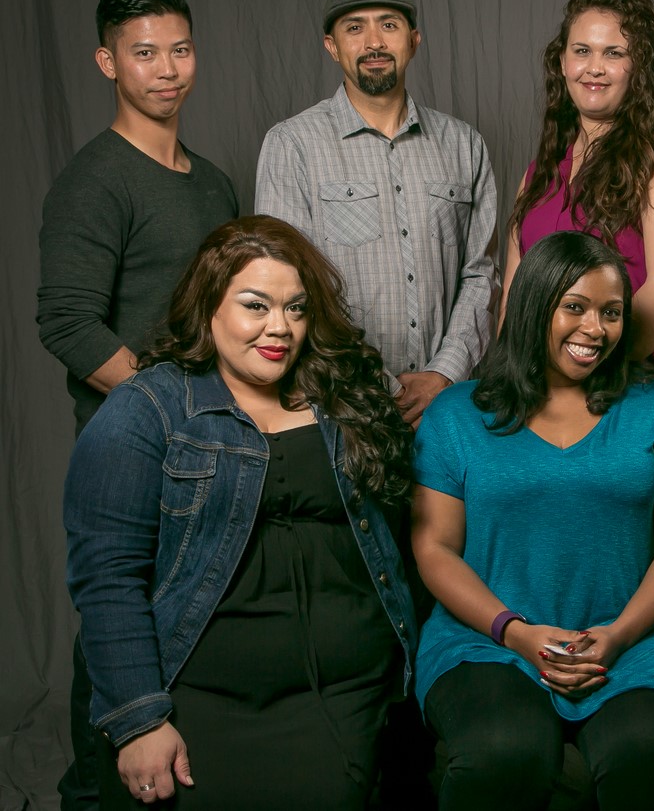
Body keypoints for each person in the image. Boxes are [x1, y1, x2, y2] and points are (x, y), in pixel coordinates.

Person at [63, 216, 418, 810]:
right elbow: (106, 578)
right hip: (201, 691)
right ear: (208, 308)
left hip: (346, 690)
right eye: (256, 306)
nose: (280, 327)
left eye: (296, 309)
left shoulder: (340, 399)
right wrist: (139, 720)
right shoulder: (149, 408)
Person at [412, 231, 654, 809]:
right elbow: (434, 549)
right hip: (487, 641)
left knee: (652, 758)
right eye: (574, 307)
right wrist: (516, 633)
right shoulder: (457, 414)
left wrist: (618, 636)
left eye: (612, 312)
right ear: (533, 307)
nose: (595, 329)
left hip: (633, 642)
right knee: (506, 752)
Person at [36, 0, 238, 811]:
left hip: (216, 445)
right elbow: (68, 323)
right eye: (144, 52)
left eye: (179, 49)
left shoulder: (215, 183)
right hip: (131, 445)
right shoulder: (96, 180)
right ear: (107, 61)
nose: (166, 69)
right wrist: (167, 412)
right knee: (120, 626)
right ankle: (89, 790)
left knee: (188, 627)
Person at [255, 0, 498, 428]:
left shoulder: (465, 145)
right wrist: (379, 384)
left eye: (388, 25)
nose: (373, 42)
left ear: (414, 40)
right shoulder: (293, 145)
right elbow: (284, 287)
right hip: (338, 405)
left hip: (446, 409)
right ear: (331, 46)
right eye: (354, 28)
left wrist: (442, 374)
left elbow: (481, 275)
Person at [504, 0, 654, 401]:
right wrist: (511, 379)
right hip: (541, 397)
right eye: (582, 51)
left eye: (614, 53)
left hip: (635, 390)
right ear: (562, 62)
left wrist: (585, 377)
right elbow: (514, 296)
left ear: (639, 67)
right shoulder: (540, 173)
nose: (594, 67)